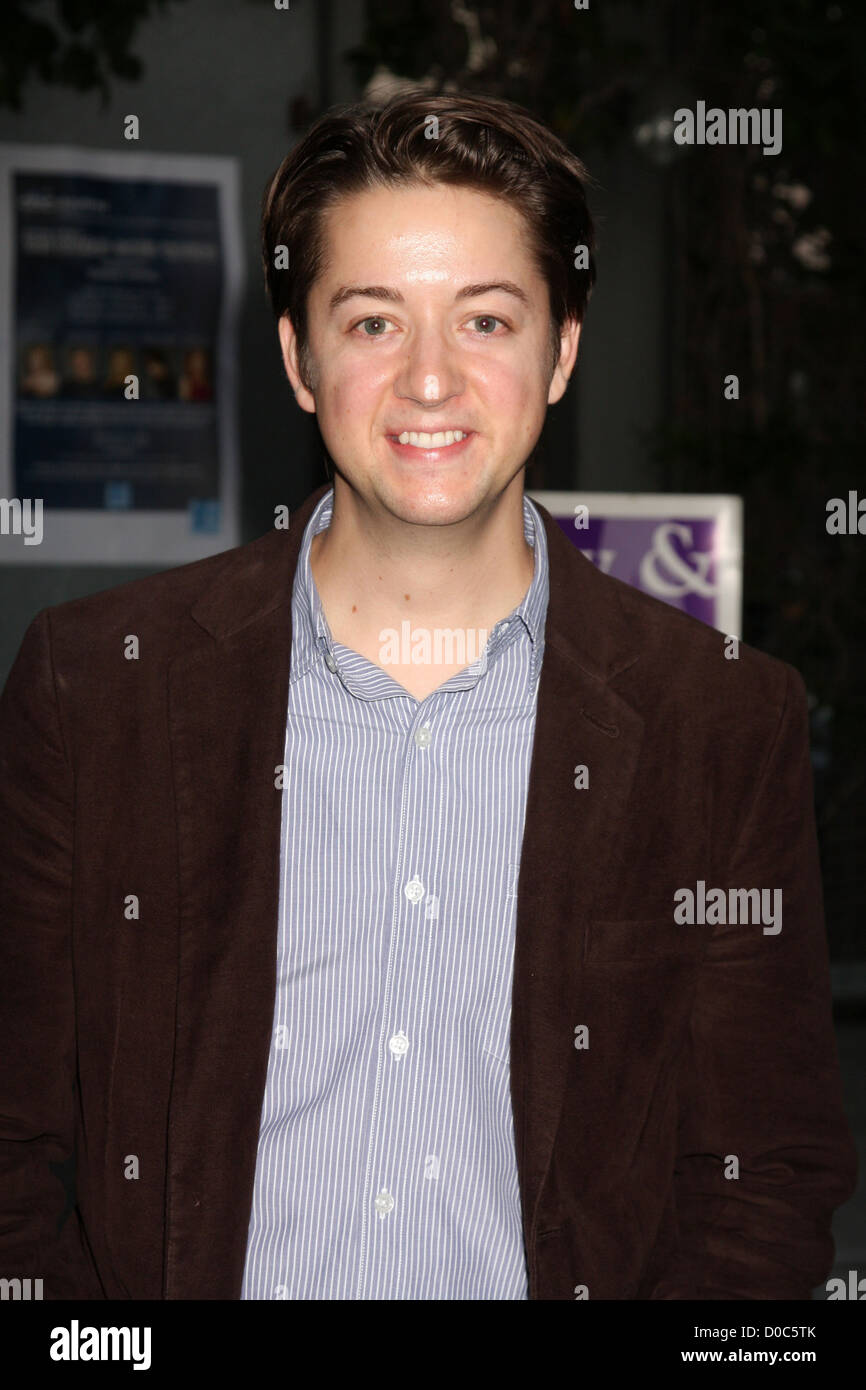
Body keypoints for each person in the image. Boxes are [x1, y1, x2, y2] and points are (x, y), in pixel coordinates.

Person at [0, 89, 856, 1301]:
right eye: (370, 323)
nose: (430, 381)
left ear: (559, 348)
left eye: (486, 320)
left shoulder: (715, 720)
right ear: (299, 356)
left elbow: (758, 1176)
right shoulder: (93, 690)